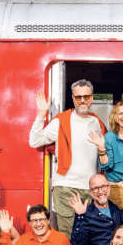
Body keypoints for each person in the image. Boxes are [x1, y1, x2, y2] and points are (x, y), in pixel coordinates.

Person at [29, 79, 107, 236]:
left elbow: (104, 155)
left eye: (86, 96)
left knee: (88, 235)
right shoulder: (61, 120)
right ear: (73, 98)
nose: (82, 100)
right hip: (66, 187)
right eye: (78, 97)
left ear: (91, 98)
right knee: (67, 235)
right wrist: (41, 115)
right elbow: (35, 141)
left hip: (90, 189)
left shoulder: (97, 123)